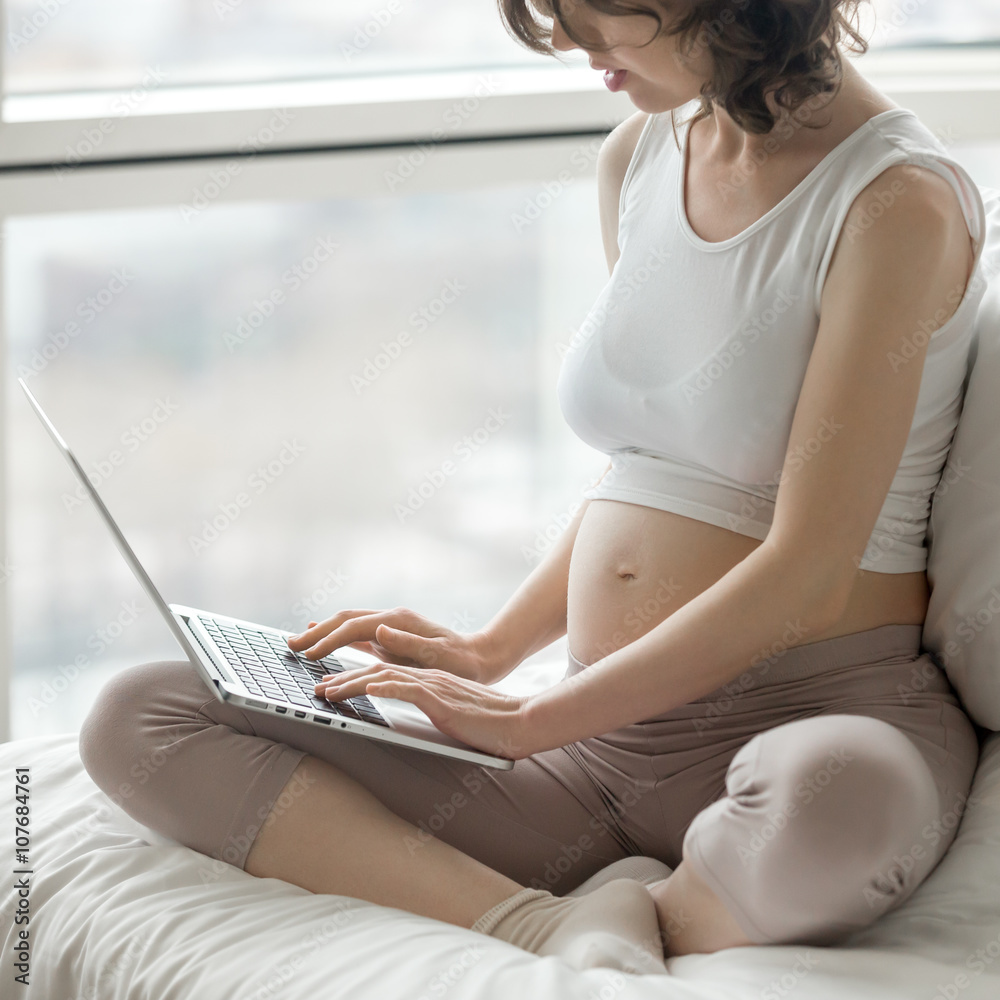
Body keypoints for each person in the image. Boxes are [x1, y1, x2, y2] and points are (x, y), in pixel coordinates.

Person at [78, 0, 989, 973]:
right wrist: (492, 648)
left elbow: (807, 566)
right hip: (593, 755)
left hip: (815, 718)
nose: (569, 43)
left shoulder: (895, 203)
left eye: (592, 13)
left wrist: (528, 719)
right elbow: (644, 462)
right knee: (144, 711)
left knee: (840, 798)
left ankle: (664, 897)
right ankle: (538, 919)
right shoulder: (640, 153)